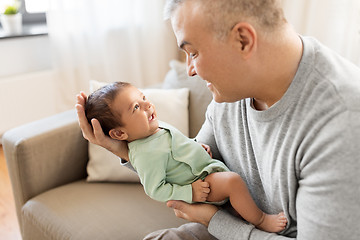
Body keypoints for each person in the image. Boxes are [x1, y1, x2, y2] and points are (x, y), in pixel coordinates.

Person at [76, 0, 360, 239]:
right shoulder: (232, 93)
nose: (190, 71)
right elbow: (183, 164)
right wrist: (122, 150)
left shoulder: (342, 124)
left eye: (193, 53)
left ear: (243, 40)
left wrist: (214, 220)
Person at [84, 81, 287, 233]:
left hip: (204, 169)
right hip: (199, 184)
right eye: (135, 108)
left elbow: (176, 147)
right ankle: (260, 220)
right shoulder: (144, 154)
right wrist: (189, 192)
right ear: (119, 134)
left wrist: (195, 148)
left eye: (143, 98)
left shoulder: (154, 129)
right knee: (232, 182)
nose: (147, 106)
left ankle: (238, 214)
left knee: (231, 184)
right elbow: (156, 189)